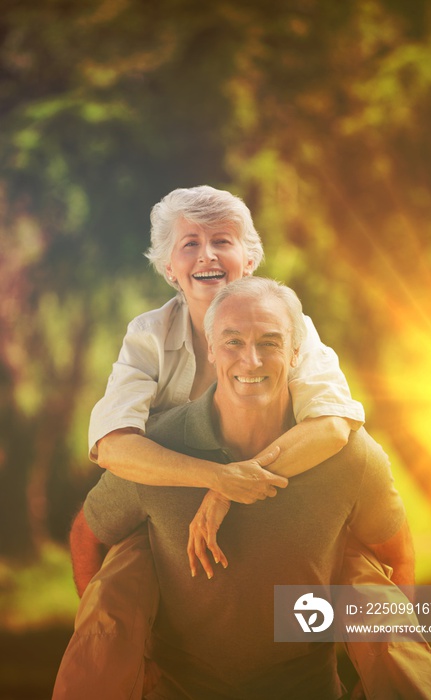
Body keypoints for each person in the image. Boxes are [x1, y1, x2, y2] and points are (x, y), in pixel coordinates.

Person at [52, 186, 365, 699]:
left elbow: (333, 423)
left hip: (277, 483)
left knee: (359, 570)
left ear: (248, 259)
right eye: (189, 244)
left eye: (222, 241)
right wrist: (214, 478)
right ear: (169, 267)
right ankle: (124, 661)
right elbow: (112, 443)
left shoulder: (293, 325)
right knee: (108, 566)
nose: (207, 255)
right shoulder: (149, 334)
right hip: (165, 493)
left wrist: (230, 489)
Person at [65, 277, 431, 699]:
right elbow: (87, 535)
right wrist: (122, 656)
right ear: (209, 350)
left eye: (270, 342)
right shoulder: (156, 450)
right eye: (232, 342)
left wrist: (375, 678)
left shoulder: (350, 456)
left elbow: (397, 557)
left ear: (296, 353)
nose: (251, 359)